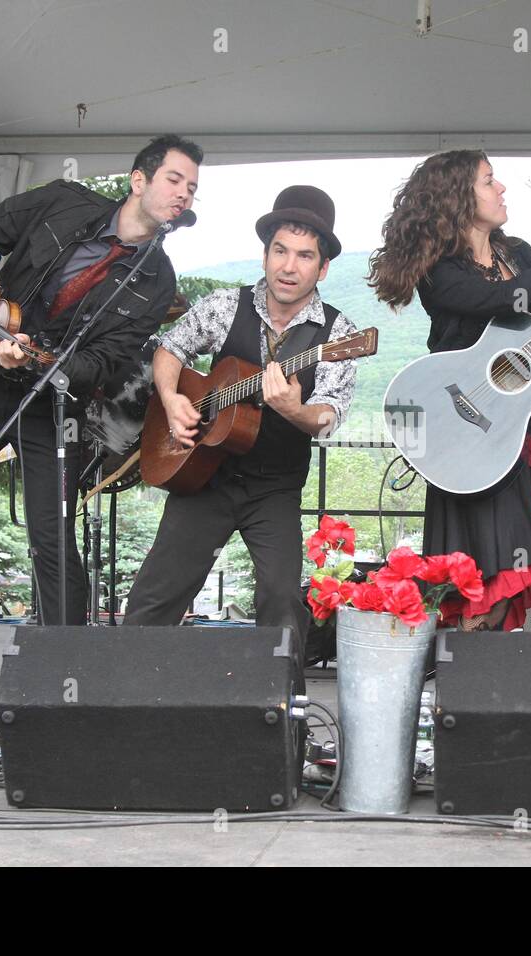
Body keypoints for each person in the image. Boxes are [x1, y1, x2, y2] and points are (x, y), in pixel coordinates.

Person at [0, 135, 202, 712]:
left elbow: (103, 366)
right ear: (138, 180)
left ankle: (62, 674)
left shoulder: (156, 281)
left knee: (51, 540)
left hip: (55, 406)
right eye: (175, 179)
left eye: (193, 187)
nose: (184, 192)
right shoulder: (63, 201)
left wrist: (37, 360)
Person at [369, 150, 531, 631]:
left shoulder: (518, 254)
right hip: (476, 438)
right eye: (489, 181)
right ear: (458, 196)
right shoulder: (439, 269)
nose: (501, 188)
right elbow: (504, 299)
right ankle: (473, 702)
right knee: (493, 589)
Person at [123, 185, 358, 652]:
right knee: (155, 595)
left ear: (323, 267)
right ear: (266, 254)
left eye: (305, 256)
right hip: (205, 474)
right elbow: (171, 348)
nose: (289, 267)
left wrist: (296, 410)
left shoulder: (340, 333)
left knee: (280, 599)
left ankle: (282, 713)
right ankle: (126, 704)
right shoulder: (225, 306)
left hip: (274, 486)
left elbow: (328, 417)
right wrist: (171, 399)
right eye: (280, 251)